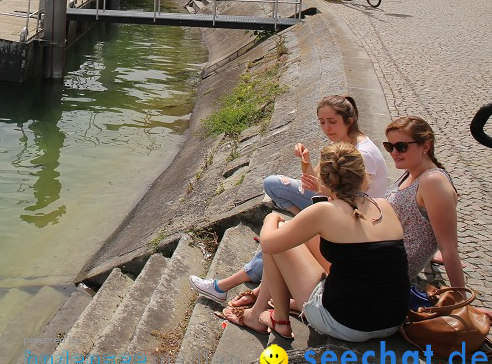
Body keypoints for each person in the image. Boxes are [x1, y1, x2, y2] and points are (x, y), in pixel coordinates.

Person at [189, 95, 387, 307]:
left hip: (352, 218)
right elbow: (319, 184)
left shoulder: (360, 155)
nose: (326, 128)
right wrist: (307, 162)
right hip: (342, 210)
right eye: (322, 122)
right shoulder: (341, 145)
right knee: (275, 189)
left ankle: (225, 286)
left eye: (332, 122)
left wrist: (273, 223)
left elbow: (338, 194)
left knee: (285, 236)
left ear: (350, 119)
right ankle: (243, 290)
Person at [245, 142, 409, 341]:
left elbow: (269, 244)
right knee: (304, 237)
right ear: (363, 176)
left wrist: (270, 219)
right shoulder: (383, 205)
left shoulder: (324, 211)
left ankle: (279, 320)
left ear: (324, 178)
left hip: (347, 324)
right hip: (393, 320)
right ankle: (276, 309)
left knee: (278, 232)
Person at [383, 116, 463, 287]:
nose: (394, 153)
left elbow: (449, 247)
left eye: (401, 147)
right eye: (389, 147)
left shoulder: (432, 182)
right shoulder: (412, 171)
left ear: (425, 146)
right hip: (383, 254)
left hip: (391, 269)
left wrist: (461, 302)